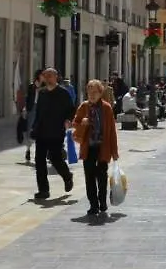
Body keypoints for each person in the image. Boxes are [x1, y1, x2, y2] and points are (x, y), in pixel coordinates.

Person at [73, 79, 120, 217]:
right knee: (89, 176)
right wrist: (82, 122)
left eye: (95, 92)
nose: (92, 95)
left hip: (102, 147)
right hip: (88, 148)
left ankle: (102, 201)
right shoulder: (84, 107)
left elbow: (112, 131)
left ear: (100, 93)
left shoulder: (106, 108)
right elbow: (75, 124)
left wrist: (114, 151)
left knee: (101, 176)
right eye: (89, 91)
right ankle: (93, 205)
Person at [30, 68, 75, 201]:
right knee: (39, 161)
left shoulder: (63, 93)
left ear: (56, 77)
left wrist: (68, 120)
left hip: (56, 131)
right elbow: (38, 112)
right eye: (46, 75)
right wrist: (34, 127)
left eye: (51, 75)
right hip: (41, 132)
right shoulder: (42, 93)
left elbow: (71, 110)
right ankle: (43, 190)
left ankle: (67, 176)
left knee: (56, 159)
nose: (48, 78)